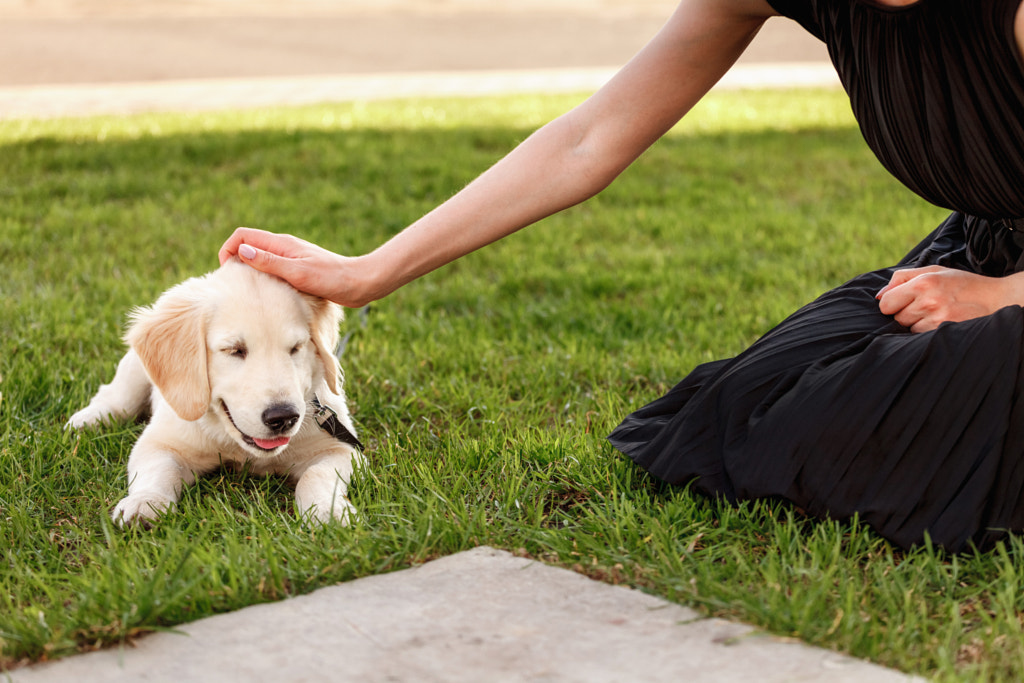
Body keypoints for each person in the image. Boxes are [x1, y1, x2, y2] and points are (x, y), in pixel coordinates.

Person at [221, 0, 1024, 553]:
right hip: (986, 247)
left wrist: (998, 297)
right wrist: (369, 272)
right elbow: (589, 139)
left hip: (1009, 284)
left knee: (899, 449)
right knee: (754, 415)